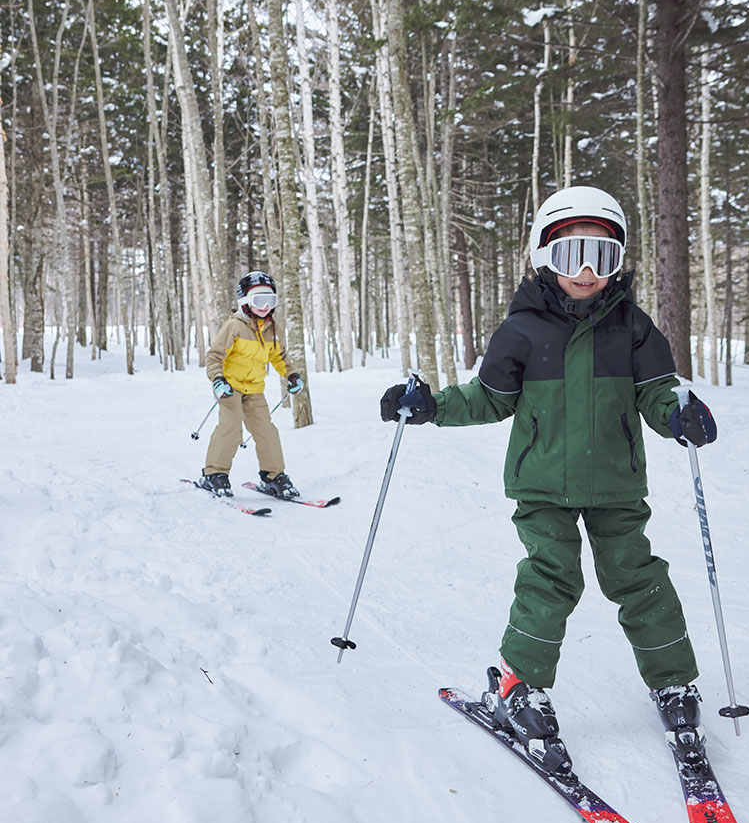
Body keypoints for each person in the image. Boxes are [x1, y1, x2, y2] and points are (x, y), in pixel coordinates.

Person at [380, 185, 717, 775]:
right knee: (550, 580)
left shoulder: (633, 328)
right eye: (570, 256)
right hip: (541, 486)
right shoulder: (522, 330)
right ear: (543, 257)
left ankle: (674, 685)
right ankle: (521, 688)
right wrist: (431, 405)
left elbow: (657, 390)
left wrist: (677, 413)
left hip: (616, 483)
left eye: (602, 256)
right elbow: (488, 397)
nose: (586, 271)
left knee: (638, 578)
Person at [198, 271, 304, 500]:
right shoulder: (234, 327)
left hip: (254, 389)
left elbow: (279, 357)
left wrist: (291, 375)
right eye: (258, 300)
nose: (265, 306)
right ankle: (214, 474)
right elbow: (215, 356)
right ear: (245, 302)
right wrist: (218, 379)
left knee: (266, 431)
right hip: (229, 387)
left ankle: (273, 476)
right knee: (231, 428)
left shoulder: (272, 328)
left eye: (270, 300)